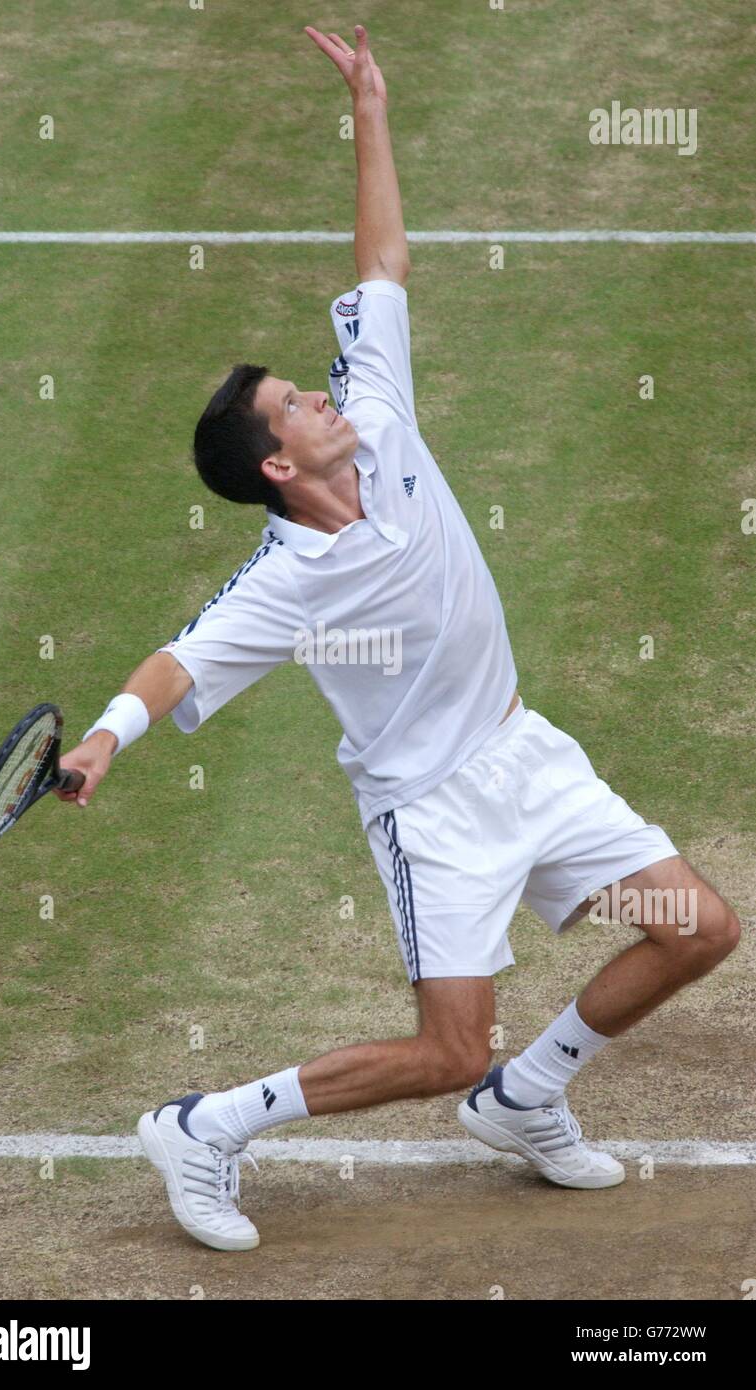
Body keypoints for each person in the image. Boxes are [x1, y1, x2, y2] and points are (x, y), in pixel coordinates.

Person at [57, 24, 740, 1252]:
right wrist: (106, 738)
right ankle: (203, 1124)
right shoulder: (283, 580)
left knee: (699, 927)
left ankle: (526, 1097)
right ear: (277, 463)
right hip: (432, 811)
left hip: (525, 752)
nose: (323, 395)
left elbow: (381, 260)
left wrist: (370, 105)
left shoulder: (379, 412)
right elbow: (177, 660)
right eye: (295, 406)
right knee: (442, 1049)